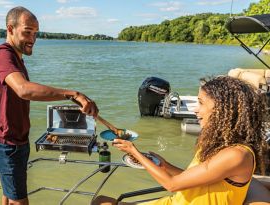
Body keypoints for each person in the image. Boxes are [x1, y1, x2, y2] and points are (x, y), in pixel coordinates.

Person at [92, 76, 269, 205]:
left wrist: (134, 151)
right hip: (177, 202)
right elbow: (190, 178)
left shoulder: (237, 155)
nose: (195, 110)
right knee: (100, 201)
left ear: (222, 110)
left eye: (201, 103)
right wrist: (165, 165)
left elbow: (172, 184)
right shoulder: (218, 144)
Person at [0, 6, 99, 205]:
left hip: (16, 140)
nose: (32, 38)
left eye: (36, 33)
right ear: (10, 29)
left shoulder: (16, 58)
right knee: (19, 200)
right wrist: (73, 94)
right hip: (6, 143)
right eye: (27, 32)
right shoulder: (3, 54)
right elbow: (24, 89)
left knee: (9, 194)